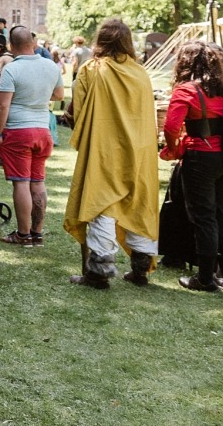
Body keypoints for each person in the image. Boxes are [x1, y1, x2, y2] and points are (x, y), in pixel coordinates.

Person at [61, 19, 159, 289]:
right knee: (137, 200)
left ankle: (99, 271)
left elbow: (78, 112)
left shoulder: (92, 69)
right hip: (139, 148)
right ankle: (140, 266)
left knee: (102, 202)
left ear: (100, 41)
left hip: (104, 146)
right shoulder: (140, 73)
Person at [160, 40, 223, 292]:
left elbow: (171, 127)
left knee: (203, 216)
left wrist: (173, 149)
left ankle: (205, 278)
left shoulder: (186, 90)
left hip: (199, 157)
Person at [0, 26, 64, 247]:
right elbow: (59, 95)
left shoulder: (12, 69)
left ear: (11, 46)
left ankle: (23, 235)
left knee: (21, 183)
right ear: (32, 43)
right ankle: (37, 233)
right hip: (43, 130)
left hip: (18, 130)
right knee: (38, 182)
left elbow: (3, 105)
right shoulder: (51, 66)